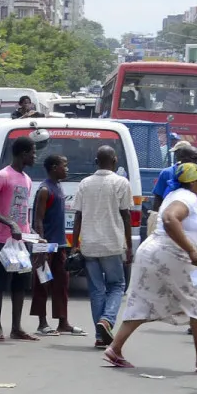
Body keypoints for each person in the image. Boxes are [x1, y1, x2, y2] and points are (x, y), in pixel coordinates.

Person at [102, 163, 197, 372]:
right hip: (173, 256)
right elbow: (170, 219)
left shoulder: (176, 194)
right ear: (194, 181)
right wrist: (192, 251)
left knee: (143, 301)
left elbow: (176, 219)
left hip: (154, 254)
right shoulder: (186, 197)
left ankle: (114, 348)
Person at [72, 145, 135, 348]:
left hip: (89, 244)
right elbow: (126, 215)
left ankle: (100, 336)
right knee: (117, 285)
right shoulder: (121, 183)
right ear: (115, 161)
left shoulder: (84, 183)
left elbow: (78, 215)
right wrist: (129, 246)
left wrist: (75, 244)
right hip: (112, 244)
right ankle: (107, 320)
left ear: (96, 162)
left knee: (96, 290)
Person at [0, 135, 37, 343]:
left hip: (21, 242)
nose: (34, 156)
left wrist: (31, 234)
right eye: (32, 152)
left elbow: (23, 211)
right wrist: (9, 223)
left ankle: (16, 327)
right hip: (3, 240)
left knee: (20, 285)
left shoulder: (28, 179)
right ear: (23, 153)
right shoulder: (2, 176)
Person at [28, 154, 80, 336]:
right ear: (53, 167)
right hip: (46, 244)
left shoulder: (58, 186)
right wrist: (41, 247)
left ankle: (63, 321)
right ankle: (42, 323)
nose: (67, 169)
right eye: (63, 165)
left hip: (59, 244)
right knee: (42, 283)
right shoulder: (44, 190)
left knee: (62, 282)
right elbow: (38, 220)